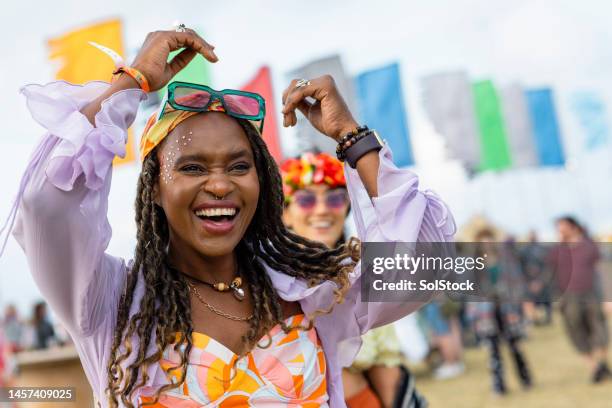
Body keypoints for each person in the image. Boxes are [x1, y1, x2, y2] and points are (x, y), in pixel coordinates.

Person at [4, 27, 454, 407]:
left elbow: (429, 267)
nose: (220, 185)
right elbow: (46, 202)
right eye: (192, 167)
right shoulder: (110, 303)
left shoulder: (309, 294)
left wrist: (351, 136)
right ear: (155, 189)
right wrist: (132, 82)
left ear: (262, 183)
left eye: (239, 167)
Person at [280, 151, 427, 408]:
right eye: (306, 200)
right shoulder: (264, 280)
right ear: (285, 213)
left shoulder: (362, 277)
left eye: (335, 199)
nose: (323, 209)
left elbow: (386, 372)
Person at [466, 229, 532, 395]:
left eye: (489, 240)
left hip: (507, 308)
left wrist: (522, 303)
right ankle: (499, 386)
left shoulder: (505, 259)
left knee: (514, 345)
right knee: (493, 350)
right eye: (483, 241)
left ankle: (525, 379)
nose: (486, 244)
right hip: (486, 311)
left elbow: (517, 282)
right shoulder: (473, 263)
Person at [550, 216, 610, 383]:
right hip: (569, 299)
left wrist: (608, 297)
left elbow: (603, 270)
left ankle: (602, 363)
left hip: (591, 294)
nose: (560, 231)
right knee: (577, 332)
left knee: (599, 329)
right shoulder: (557, 250)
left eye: (563, 227)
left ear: (573, 227)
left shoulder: (589, 246)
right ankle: (594, 368)